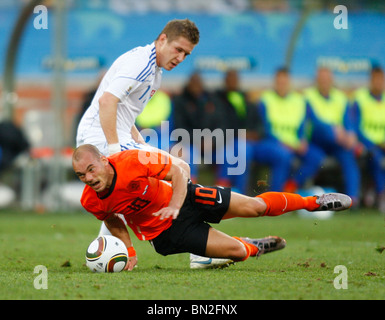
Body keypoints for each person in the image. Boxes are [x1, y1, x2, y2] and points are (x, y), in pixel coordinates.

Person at [72, 144, 352, 270]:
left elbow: (179, 173)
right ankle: (252, 246)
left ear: (105, 161)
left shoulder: (132, 161)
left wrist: (174, 204)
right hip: (166, 235)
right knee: (238, 252)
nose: (89, 178)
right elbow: (111, 219)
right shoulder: (89, 199)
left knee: (254, 207)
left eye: (91, 169)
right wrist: (129, 249)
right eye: (81, 175)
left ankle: (313, 202)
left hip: (188, 198)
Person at [75, 18, 199, 235]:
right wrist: (115, 151)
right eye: (178, 49)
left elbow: (123, 107)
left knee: (127, 190)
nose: (180, 58)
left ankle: (109, 250)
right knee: (181, 170)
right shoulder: (141, 64)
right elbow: (107, 101)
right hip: (100, 137)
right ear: (162, 40)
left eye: (186, 54)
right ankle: (193, 242)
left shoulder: (154, 70)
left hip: (113, 135)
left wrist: (137, 140)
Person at [250, 67, 324, 192]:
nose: (282, 85)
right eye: (279, 82)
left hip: (295, 144)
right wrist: (284, 143)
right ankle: (275, 199)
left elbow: (307, 124)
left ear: (289, 82)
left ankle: (291, 186)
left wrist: (303, 140)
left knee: (316, 156)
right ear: (275, 83)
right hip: (272, 143)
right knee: (283, 155)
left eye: (284, 82)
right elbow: (263, 130)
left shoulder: (300, 101)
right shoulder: (265, 100)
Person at [305, 67, 361, 204]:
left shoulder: (340, 97)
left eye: (327, 79)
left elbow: (348, 121)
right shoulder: (308, 96)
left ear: (331, 80)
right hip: (316, 140)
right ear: (316, 81)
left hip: (338, 143)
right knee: (320, 145)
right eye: (321, 79)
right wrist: (333, 130)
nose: (324, 82)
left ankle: (352, 200)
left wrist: (351, 134)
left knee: (349, 156)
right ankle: (293, 192)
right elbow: (313, 120)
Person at [351, 66, 385, 212]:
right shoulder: (360, 99)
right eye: (375, 79)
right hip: (368, 146)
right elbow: (356, 128)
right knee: (376, 158)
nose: (378, 83)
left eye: (381, 79)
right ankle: (382, 195)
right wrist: (375, 143)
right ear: (370, 81)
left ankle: (373, 190)